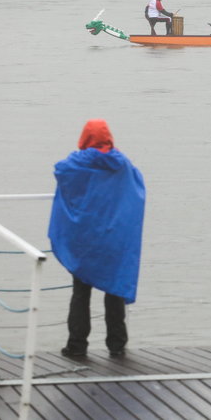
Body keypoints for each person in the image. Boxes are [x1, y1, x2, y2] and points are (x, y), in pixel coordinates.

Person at [48, 119, 146, 358]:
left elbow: (61, 173)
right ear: (109, 138)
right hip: (114, 239)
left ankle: (77, 345)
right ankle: (117, 344)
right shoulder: (122, 165)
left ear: (84, 138)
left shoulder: (74, 164)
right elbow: (137, 191)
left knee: (81, 292)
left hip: (83, 240)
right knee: (114, 291)